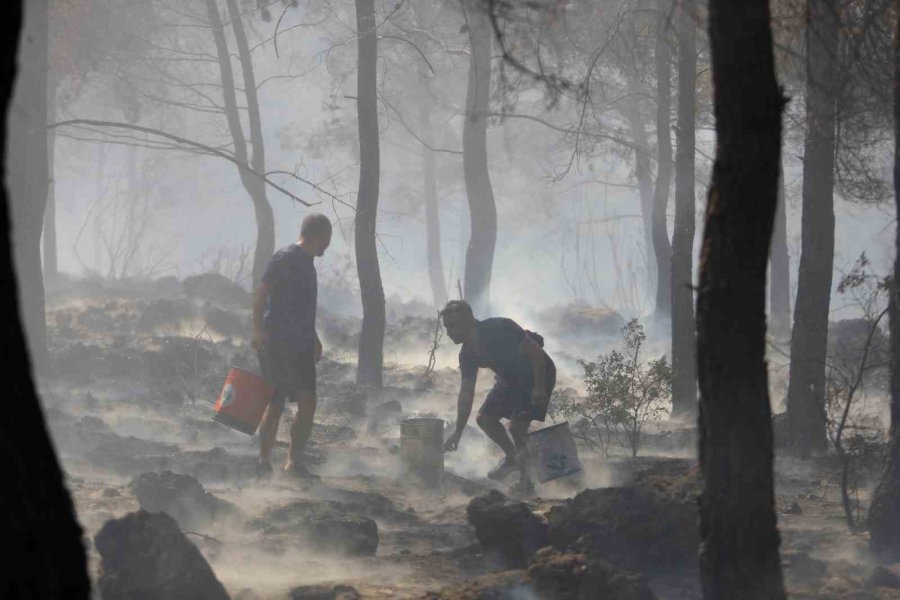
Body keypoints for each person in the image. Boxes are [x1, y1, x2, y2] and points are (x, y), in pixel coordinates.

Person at [441, 300, 556, 495]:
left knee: (518, 427)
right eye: (446, 327)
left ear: (468, 320)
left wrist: (539, 388)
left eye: (452, 326)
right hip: (509, 379)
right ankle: (513, 457)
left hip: (537, 373)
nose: (449, 332)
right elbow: (466, 393)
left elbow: (536, 353)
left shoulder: (500, 327)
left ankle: (527, 483)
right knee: (485, 420)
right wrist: (458, 431)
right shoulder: (467, 354)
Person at [252, 213, 332, 480]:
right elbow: (263, 291)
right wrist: (257, 329)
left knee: (308, 402)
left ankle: (293, 464)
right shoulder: (286, 257)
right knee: (274, 402)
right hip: (277, 341)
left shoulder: (309, 264)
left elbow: (302, 307)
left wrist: (314, 337)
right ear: (317, 234)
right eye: (327, 240)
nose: (327, 246)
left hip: (301, 345)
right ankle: (264, 462)